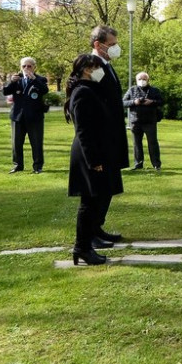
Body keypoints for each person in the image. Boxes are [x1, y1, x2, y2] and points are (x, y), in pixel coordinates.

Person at [64, 53, 125, 265]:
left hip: (98, 152)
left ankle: (85, 245)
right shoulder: (82, 92)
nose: (101, 71)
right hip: (89, 155)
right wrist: (93, 160)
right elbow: (83, 131)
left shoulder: (90, 89)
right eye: (97, 67)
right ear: (87, 69)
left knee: (94, 201)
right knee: (88, 203)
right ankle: (81, 247)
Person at [87, 24, 129, 245]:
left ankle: (98, 227)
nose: (115, 48)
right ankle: (91, 232)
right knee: (100, 186)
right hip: (101, 137)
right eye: (111, 45)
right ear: (98, 44)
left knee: (110, 185)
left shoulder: (106, 64)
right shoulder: (91, 66)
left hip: (112, 134)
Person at [2, 56, 49, 174]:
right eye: (24, 66)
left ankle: (38, 166)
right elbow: (5, 91)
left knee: (36, 143)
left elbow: (44, 90)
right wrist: (11, 81)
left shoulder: (40, 79)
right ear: (20, 67)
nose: (26, 68)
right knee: (16, 143)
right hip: (18, 116)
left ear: (34, 67)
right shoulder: (17, 79)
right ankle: (18, 165)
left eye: (29, 66)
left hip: (35, 116)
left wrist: (34, 79)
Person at [122, 71, 164, 171]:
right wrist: (134, 102)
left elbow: (161, 101)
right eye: (140, 79)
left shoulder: (154, 90)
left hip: (150, 121)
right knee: (137, 143)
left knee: (152, 143)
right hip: (135, 121)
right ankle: (138, 164)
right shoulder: (132, 90)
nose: (142, 81)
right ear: (136, 80)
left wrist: (151, 102)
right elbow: (122, 102)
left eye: (144, 79)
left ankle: (156, 164)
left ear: (148, 80)